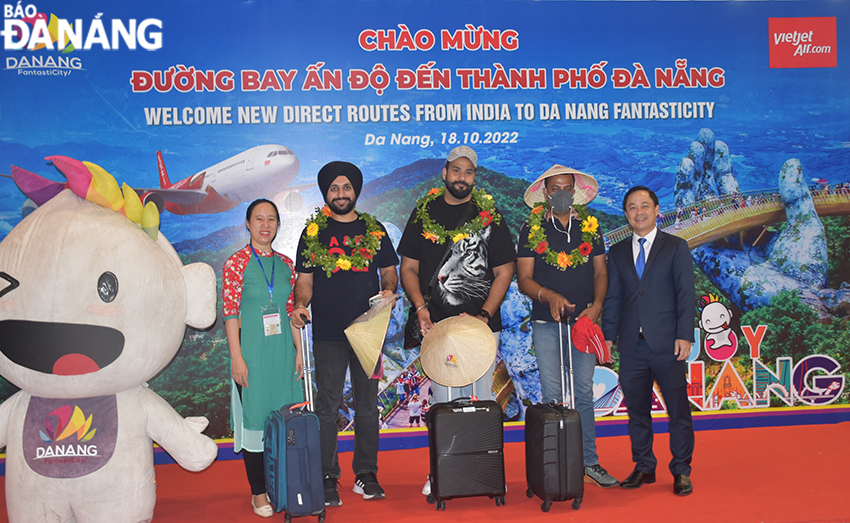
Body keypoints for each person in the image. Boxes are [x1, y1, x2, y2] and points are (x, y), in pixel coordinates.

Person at [397, 145, 516, 496]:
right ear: (445, 173)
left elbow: (504, 270)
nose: (461, 177)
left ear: (473, 178)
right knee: (443, 404)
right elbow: (409, 267)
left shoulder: (488, 215)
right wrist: (420, 307)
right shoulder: (424, 212)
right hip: (437, 328)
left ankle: (482, 470)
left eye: (468, 172)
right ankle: (442, 471)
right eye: (456, 171)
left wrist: (483, 316)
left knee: (480, 402)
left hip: (479, 329)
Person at [291, 161, 399, 506]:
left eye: (347, 188)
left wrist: (388, 291)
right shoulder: (313, 234)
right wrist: (301, 304)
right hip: (326, 332)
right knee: (327, 407)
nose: (341, 194)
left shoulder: (374, 228)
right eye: (334, 188)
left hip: (369, 331)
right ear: (326, 193)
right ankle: (326, 475)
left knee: (368, 407)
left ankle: (366, 474)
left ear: (356, 191)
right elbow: (304, 283)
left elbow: (389, 273)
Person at [515, 165, 619, 488]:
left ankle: (589, 462)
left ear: (575, 190)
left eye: (566, 187)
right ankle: (556, 464)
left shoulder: (592, 227)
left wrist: (597, 306)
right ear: (544, 193)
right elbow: (523, 280)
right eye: (554, 188)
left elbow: (601, 273)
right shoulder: (530, 229)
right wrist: (549, 295)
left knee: (584, 393)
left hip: (585, 324)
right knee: (553, 395)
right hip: (547, 323)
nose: (561, 193)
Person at [601, 186, 696, 496]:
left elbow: (685, 295)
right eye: (632, 207)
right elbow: (613, 298)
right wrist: (608, 338)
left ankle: (681, 469)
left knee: (678, 411)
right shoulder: (615, 253)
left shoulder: (675, 247)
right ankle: (644, 466)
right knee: (637, 412)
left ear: (657, 210)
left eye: (644, 206)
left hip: (668, 344)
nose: (638, 212)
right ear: (626, 214)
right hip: (631, 347)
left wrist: (685, 335)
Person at [222, 198, 304, 518]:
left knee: (287, 421)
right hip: (253, 355)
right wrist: (236, 358)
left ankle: (284, 485)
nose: (265, 225)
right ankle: (258, 493)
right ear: (247, 224)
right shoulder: (236, 263)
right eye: (259, 218)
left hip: (284, 355)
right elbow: (230, 314)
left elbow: (290, 311)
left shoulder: (286, 264)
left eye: (271, 219)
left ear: (278, 225)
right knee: (255, 424)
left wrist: (299, 353)